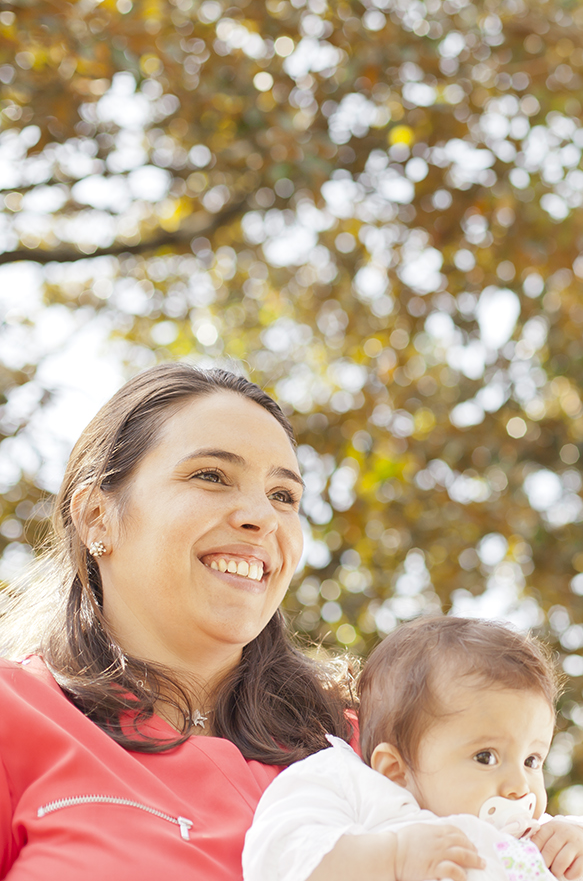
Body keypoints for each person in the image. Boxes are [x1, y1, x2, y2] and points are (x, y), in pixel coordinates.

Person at [0, 364, 354, 879]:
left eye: (284, 495)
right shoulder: (13, 717)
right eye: (210, 476)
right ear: (98, 516)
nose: (263, 516)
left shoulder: (370, 742)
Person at [243, 616, 583, 881]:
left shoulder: (532, 836)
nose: (518, 784)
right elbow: (279, 855)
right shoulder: (348, 784)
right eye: (486, 757)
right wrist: (394, 858)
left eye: (532, 759)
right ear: (395, 768)